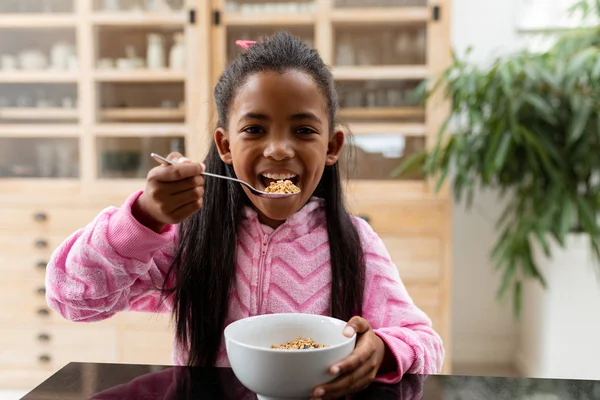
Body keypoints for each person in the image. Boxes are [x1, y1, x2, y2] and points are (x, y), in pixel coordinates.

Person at [46, 31, 444, 400]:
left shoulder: (354, 242)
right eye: (254, 129)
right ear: (225, 146)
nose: (278, 150)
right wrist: (145, 219)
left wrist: (384, 351)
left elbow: (425, 343)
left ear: (332, 146)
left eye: (303, 130)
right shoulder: (189, 237)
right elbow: (72, 297)